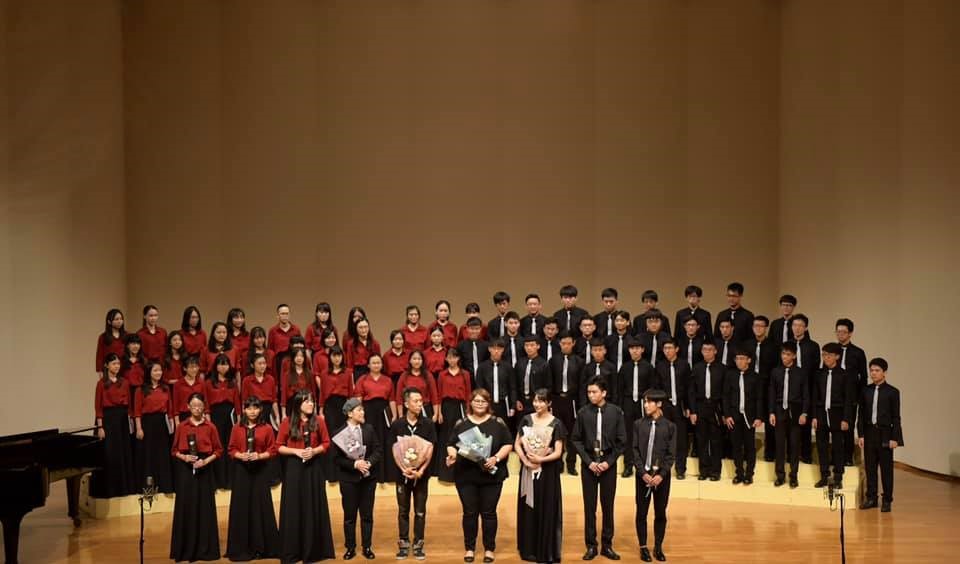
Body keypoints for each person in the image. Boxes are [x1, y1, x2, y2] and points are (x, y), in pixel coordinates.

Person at [445, 389, 513, 564]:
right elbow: (451, 444)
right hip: (466, 475)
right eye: (477, 401)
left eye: (483, 401)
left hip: (491, 476)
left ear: (488, 403)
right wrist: (452, 455)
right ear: (471, 403)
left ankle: (489, 549)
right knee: (469, 513)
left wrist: (496, 458)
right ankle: (470, 548)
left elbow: (508, 444)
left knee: (489, 513)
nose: (480, 404)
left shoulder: (497, 423)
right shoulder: (462, 423)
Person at [276, 390, 335, 562]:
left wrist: (314, 451)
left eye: (312, 401)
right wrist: (296, 451)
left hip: (313, 468)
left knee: (312, 505)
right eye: (307, 401)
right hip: (294, 468)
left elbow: (326, 443)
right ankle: (293, 550)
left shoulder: (319, 421)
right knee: (294, 506)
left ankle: (313, 549)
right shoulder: (287, 422)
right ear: (298, 404)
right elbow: (278, 446)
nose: (311, 404)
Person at [571, 377, 626, 561]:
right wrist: (589, 462)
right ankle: (591, 545)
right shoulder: (583, 412)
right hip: (589, 464)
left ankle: (607, 545)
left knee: (608, 506)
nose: (591, 395)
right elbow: (576, 439)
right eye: (588, 392)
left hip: (608, 463)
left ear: (604, 393)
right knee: (590, 507)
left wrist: (608, 462)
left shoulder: (616, 412)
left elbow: (622, 441)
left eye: (594, 392)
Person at [225, 397, 280, 561]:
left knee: (260, 506)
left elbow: (273, 450)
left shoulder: (267, 428)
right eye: (249, 408)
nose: (252, 411)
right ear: (244, 410)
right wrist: (240, 455)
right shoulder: (237, 428)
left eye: (255, 408)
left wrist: (259, 455)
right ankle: (242, 546)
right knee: (242, 506)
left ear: (260, 409)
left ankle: (263, 546)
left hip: (260, 471)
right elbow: (231, 449)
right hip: (241, 471)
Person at [169, 393, 222, 562]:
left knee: (204, 507)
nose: (197, 409)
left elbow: (218, 451)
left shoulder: (210, 427)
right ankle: (186, 549)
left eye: (200, 406)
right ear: (188, 407)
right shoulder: (182, 426)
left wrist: (205, 461)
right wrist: (184, 457)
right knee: (187, 506)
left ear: (204, 407)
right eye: (194, 406)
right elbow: (174, 451)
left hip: (204, 469)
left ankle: (205, 548)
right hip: (186, 470)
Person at [515, 389, 566, 564]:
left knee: (546, 506)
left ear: (549, 403)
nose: (537, 404)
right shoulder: (526, 419)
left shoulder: (556, 423)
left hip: (547, 472)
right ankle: (528, 549)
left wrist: (540, 459)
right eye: (535, 401)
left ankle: (545, 550)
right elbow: (517, 444)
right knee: (528, 507)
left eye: (541, 401)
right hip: (528, 469)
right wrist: (525, 460)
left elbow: (558, 452)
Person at [389, 387, 437, 560]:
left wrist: (421, 471)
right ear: (406, 403)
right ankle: (403, 544)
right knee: (403, 511)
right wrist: (403, 468)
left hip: (421, 476)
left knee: (420, 511)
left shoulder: (428, 424)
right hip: (402, 475)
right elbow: (393, 449)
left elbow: (430, 449)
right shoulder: (397, 425)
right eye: (416, 401)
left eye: (421, 401)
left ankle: (418, 544)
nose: (419, 404)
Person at [333, 398, 382, 560]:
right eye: (359, 410)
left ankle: (367, 547)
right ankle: (350, 547)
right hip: (348, 480)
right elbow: (336, 459)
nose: (363, 412)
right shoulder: (339, 433)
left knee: (367, 515)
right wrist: (354, 464)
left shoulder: (369, 429)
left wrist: (368, 463)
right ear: (349, 413)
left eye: (363, 409)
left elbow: (378, 450)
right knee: (350, 516)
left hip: (368, 479)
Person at [633, 389, 676, 563]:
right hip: (642, 477)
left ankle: (658, 547)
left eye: (649, 402)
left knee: (660, 513)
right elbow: (634, 450)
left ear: (659, 404)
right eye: (644, 402)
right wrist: (642, 473)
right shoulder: (638, 424)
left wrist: (661, 475)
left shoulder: (670, 427)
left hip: (661, 478)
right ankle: (643, 547)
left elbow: (671, 454)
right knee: (641, 513)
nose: (645, 405)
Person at [858, 358, 903, 512]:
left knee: (886, 469)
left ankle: (887, 499)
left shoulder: (893, 392)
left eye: (877, 370)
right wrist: (861, 434)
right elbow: (861, 414)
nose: (873, 373)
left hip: (885, 434)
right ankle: (871, 497)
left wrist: (895, 438)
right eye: (871, 370)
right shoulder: (865, 390)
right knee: (870, 468)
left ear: (884, 372)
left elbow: (896, 417)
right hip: (869, 433)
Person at [91, 352, 135, 498]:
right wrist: (100, 427)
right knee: (109, 454)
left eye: (118, 363)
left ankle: (124, 488)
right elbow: (98, 407)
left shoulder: (125, 382)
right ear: (106, 365)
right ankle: (109, 490)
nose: (117, 366)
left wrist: (130, 424)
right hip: (108, 421)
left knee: (123, 453)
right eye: (113, 363)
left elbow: (129, 406)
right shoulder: (101, 384)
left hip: (122, 421)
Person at [812, 343, 855, 489]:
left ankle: (837, 477)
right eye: (824, 355)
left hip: (838, 414)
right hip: (821, 414)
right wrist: (814, 416)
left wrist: (846, 419)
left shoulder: (845, 375)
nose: (826, 358)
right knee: (821, 445)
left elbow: (848, 399)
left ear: (837, 356)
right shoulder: (819, 374)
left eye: (829, 355)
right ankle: (824, 476)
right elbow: (815, 396)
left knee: (838, 446)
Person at [769, 342, 809, 488]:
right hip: (779, 410)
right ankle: (780, 476)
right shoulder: (775, 372)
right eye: (783, 354)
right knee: (779, 445)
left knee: (794, 445)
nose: (784, 357)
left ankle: (793, 476)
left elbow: (806, 394)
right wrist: (771, 412)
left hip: (796, 411)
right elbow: (772, 393)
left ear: (794, 356)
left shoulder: (801, 372)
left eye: (788, 354)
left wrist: (804, 412)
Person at [722, 349, 764, 485]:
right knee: (736, 446)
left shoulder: (755, 377)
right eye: (737, 359)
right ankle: (739, 473)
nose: (739, 361)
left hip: (749, 417)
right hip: (734, 416)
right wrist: (727, 415)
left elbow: (759, 398)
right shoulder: (730, 375)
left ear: (749, 360)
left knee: (750, 446)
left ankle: (749, 474)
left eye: (742, 358)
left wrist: (758, 417)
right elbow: (726, 396)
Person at [353, 354, 395, 483]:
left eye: (378, 363)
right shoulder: (362, 379)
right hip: (368, 412)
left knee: (384, 441)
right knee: (369, 441)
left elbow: (392, 399)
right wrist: (359, 415)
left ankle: (385, 475)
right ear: (368, 365)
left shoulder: (388, 380)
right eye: (373, 363)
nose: (376, 365)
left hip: (383, 413)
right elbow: (358, 400)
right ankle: (368, 472)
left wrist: (394, 415)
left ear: (382, 365)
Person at [133, 360, 174, 494]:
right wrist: (139, 428)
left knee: (162, 454)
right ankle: (148, 487)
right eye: (155, 370)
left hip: (162, 423)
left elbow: (170, 409)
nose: (158, 373)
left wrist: (172, 425)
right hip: (147, 423)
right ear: (149, 372)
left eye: (160, 370)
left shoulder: (165, 388)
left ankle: (165, 486)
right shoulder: (141, 390)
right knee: (148, 455)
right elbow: (137, 412)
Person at [548, 331, 585, 475]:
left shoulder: (579, 361)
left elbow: (582, 385)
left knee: (572, 433)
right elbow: (550, 382)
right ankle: (557, 463)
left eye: (569, 343)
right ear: (559, 344)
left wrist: (581, 404)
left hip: (572, 400)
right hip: (557, 399)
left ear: (573, 343)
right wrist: (549, 402)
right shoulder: (553, 360)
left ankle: (571, 464)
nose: (566, 346)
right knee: (556, 432)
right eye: (563, 343)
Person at [689, 341, 725, 481]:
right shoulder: (697, 368)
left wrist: (724, 413)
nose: (707, 352)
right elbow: (692, 391)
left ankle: (715, 471)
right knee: (701, 440)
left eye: (710, 349)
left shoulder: (722, 368)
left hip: (716, 407)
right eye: (704, 349)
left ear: (715, 351)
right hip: (700, 406)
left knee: (716, 441)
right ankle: (704, 471)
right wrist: (693, 411)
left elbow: (726, 393)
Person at [204, 353, 241, 489]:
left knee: (230, 446)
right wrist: (208, 418)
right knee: (218, 447)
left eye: (226, 364)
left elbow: (237, 403)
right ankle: (219, 481)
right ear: (216, 366)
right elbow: (206, 402)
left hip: (230, 415)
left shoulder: (232, 383)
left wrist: (239, 419)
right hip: (215, 415)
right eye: (221, 364)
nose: (223, 367)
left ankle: (230, 481)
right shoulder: (209, 383)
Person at [435, 347, 472, 482]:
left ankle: (462, 472)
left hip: (461, 407)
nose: (452, 360)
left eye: (454, 357)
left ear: (458, 358)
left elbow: (468, 394)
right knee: (446, 437)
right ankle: (445, 473)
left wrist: (469, 412)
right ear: (446, 359)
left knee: (462, 437)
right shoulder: (442, 374)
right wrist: (439, 412)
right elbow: (439, 394)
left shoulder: (465, 374)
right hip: (446, 407)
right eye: (449, 357)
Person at [656, 339, 690, 479]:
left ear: (676, 349)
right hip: (665, 405)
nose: (667, 351)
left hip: (680, 405)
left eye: (670, 348)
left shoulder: (684, 365)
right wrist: (658, 406)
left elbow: (689, 388)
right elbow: (657, 387)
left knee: (681, 439)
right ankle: (663, 469)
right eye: (665, 348)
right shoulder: (660, 365)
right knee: (663, 438)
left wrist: (689, 407)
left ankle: (680, 469)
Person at [836, 318, 868, 466]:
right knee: (835, 427)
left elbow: (863, 376)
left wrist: (860, 397)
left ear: (850, 333)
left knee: (848, 427)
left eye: (843, 332)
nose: (840, 334)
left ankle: (848, 457)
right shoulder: (831, 350)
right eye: (838, 331)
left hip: (851, 396)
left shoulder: (858, 352)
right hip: (835, 395)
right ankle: (836, 457)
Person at [789, 314, 820, 463]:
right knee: (790, 424)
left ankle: (806, 455)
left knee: (805, 423)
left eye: (800, 325)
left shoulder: (813, 346)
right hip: (791, 388)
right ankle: (790, 456)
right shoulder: (787, 345)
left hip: (807, 388)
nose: (797, 328)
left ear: (806, 328)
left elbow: (815, 369)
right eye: (795, 325)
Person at [750, 316, 779, 462]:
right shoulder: (747, 344)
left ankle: (770, 452)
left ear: (766, 328)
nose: (758, 328)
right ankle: (748, 451)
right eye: (756, 326)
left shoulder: (774, 346)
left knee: (769, 419)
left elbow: (776, 367)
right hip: (750, 385)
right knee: (749, 417)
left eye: (761, 326)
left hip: (767, 385)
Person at [476, 339, 516, 422]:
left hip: (504, 404)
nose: (496, 351)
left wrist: (513, 406)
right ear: (489, 349)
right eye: (494, 348)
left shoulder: (508, 367)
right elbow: (479, 388)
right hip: (487, 403)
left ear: (503, 350)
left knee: (503, 426)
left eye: (499, 349)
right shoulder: (482, 367)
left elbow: (512, 387)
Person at [395, 350, 439, 420]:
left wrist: (436, 413)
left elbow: (434, 395)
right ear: (410, 361)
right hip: (408, 410)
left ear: (422, 361)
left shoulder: (428, 375)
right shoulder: (404, 376)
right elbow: (399, 397)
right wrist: (400, 415)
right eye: (414, 359)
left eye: (419, 359)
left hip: (425, 408)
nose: (417, 361)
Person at [515, 336, 550, 420]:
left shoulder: (544, 364)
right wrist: (516, 400)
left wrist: (542, 402)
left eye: (532, 345)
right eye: (526, 345)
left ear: (538, 346)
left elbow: (548, 385)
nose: (529, 348)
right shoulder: (519, 363)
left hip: (537, 401)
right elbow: (515, 383)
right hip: (522, 401)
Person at [241, 353, 279, 425]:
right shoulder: (247, 380)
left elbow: (274, 400)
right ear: (252, 365)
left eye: (264, 363)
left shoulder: (271, 379)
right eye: (259, 364)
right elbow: (244, 401)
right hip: (253, 410)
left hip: (268, 410)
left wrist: (277, 416)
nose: (262, 366)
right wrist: (244, 417)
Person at [457, 318, 490, 385]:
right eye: (472, 329)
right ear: (467, 329)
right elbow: (459, 364)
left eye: (477, 329)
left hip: (483, 379)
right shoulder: (461, 346)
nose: (474, 331)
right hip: (466, 379)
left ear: (481, 329)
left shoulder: (486, 345)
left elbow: (488, 363)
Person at [585, 339, 618, 405]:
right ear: (591, 352)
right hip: (590, 401)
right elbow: (583, 388)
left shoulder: (611, 367)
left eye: (600, 350)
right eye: (595, 350)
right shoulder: (587, 368)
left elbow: (614, 387)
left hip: (607, 401)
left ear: (605, 351)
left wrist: (614, 403)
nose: (597, 353)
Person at [172, 355, 205, 421]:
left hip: (199, 415)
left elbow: (205, 402)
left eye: (196, 367)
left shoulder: (201, 383)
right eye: (191, 367)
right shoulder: (178, 384)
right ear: (185, 368)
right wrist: (177, 422)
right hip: (184, 415)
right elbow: (175, 406)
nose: (194, 369)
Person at [95, 309, 126, 374]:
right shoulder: (103, 337)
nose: (119, 321)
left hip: (124, 369)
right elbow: (100, 356)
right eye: (116, 319)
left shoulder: (127, 335)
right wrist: (100, 371)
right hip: (109, 371)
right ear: (109, 321)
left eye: (121, 319)